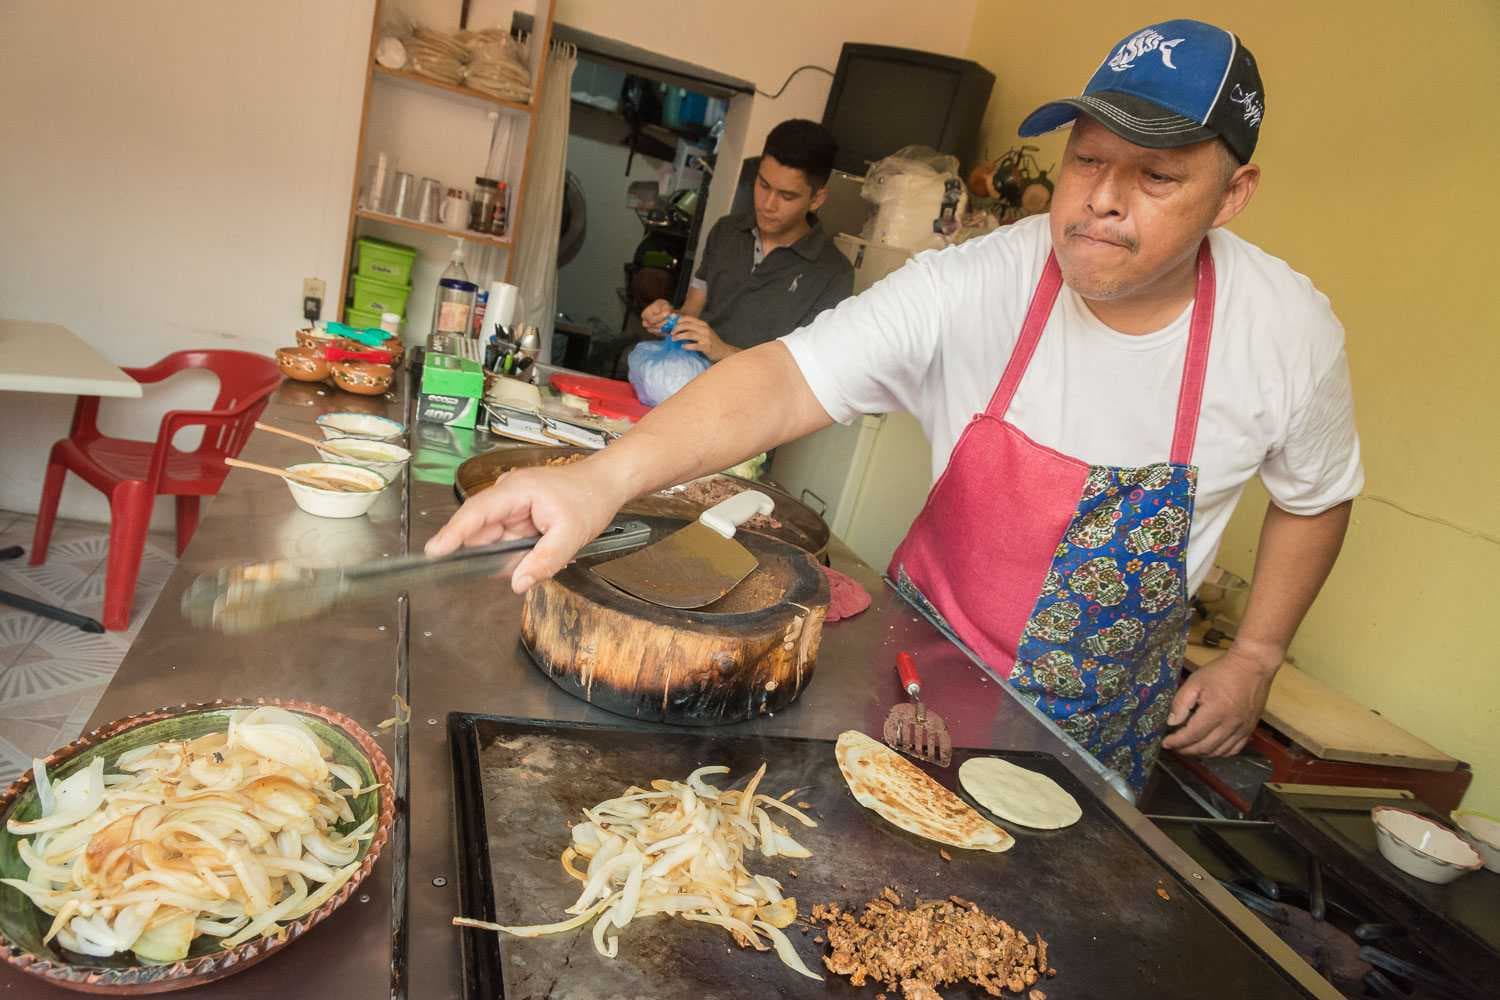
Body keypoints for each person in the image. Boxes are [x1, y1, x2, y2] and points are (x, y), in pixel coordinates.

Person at [429, 20, 1362, 795]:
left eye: (1156, 178)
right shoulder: (982, 277)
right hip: (913, 682)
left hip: (1088, 741)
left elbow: (1316, 495)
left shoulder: (1285, 331)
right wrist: (601, 477)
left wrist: (1256, 656)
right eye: (1086, 161)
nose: (1102, 202)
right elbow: (789, 376)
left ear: (1233, 194)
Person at [640, 118, 854, 361]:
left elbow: (806, 371)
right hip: (693, 382)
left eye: (787, 196)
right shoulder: (726, 231)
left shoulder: (834, 275)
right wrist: (666, 319)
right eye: (763, 185)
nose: (768, 204)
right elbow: (692, 311)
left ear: (816, 199)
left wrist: (723, 352)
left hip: (757, 397)